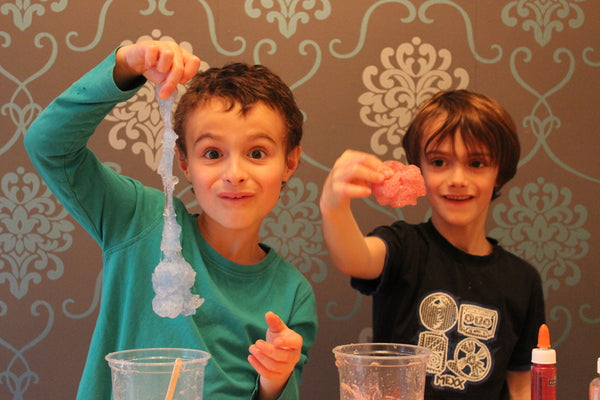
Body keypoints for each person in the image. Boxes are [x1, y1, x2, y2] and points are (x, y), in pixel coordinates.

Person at [25, 40, 317, 400]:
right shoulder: (140, 221)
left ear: (289, 162)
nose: (234, 173)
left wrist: (274, 383)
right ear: (183, 162)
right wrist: (124, 66)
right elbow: (48, 145)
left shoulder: (293, 294)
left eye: (257, 153)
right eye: (212, 153)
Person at [320, 90, 545, 399]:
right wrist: (334, 206)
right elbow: (353, 258)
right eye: (439, 162)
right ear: (419, 170)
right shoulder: (403, 247)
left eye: (477, 163)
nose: (457, 178)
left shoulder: (523, 280)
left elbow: (521, 384)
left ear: (499, 172)